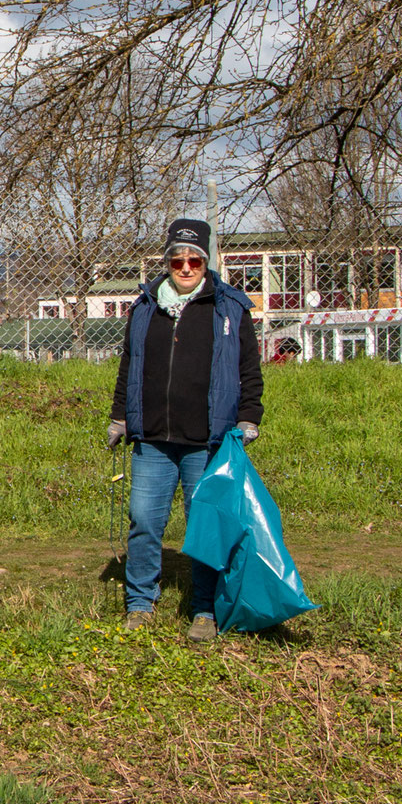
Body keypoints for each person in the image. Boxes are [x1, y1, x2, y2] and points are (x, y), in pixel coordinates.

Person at [107, 219, 265, 640]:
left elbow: (250, 370)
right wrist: (120, 416)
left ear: (206, 261)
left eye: (195, 259)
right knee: (143, 521)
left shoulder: (229, 306)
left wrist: (249, 417)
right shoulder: (144, 307)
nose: (186, 266)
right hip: (153, 439)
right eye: (178, 259)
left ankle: (205, 609)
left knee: (205, 525)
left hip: (208, 441)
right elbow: (129, 367)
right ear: (168, 261)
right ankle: (140, 602)